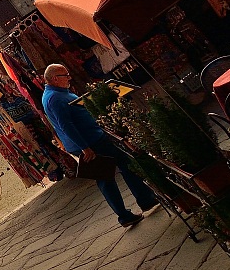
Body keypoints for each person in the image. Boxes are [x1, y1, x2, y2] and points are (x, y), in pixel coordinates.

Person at [42, 63, 159, 227]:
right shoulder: (55, 98)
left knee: (109, 174)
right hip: (91, 141)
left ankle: (138, 205)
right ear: (54, 78)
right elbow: (66, 125)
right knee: (118, 169)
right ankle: (139, 204)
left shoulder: (56, 93)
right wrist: (85, 147)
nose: (69, 78)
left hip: (90, 139)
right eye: (66, 75)